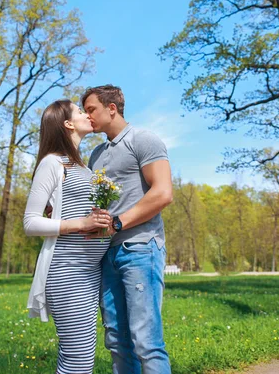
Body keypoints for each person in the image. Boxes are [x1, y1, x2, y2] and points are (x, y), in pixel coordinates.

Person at [82, 84, 173, 374]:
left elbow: (162, 193)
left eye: (91, 109)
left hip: (140, 248)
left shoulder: (143, 139)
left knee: (146, 341)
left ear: (112, 108)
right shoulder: (95, 155)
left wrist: (118, 223)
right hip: (107, 255)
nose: (87, 116)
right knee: (116, 340)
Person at [23, 99, 112, 374]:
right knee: (78, 360)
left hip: (91, 271)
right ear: (68, 123)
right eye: (80, 111)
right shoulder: (52, 163)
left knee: (81, 356)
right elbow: (30, 222)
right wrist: (81, 224)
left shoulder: (83, 168)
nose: (87, 114)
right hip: (67, 270)